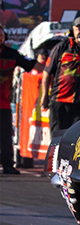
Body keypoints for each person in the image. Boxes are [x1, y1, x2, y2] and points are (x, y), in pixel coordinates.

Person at [0, 26, 43, 174]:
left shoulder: (12, 54)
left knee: (6, 136)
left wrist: (51, 70)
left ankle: (7, 165)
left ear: (4, 36)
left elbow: (32, 65)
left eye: (1, 34)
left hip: (3, 104)